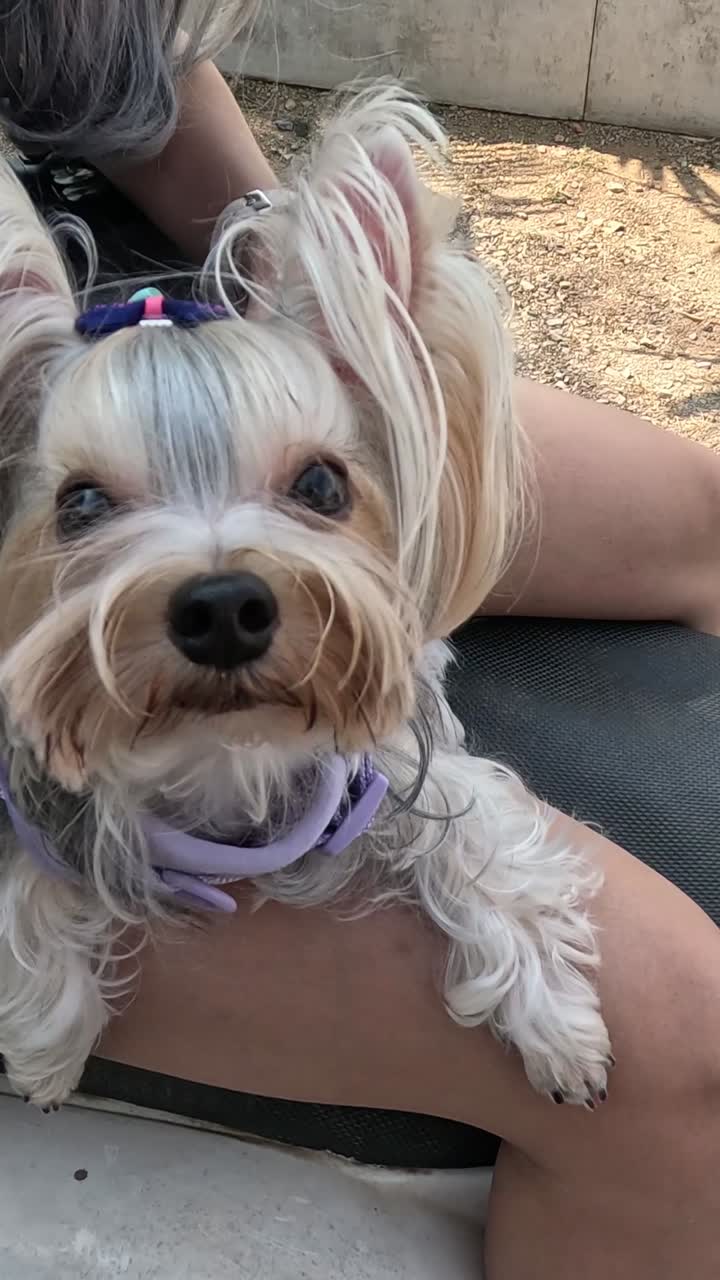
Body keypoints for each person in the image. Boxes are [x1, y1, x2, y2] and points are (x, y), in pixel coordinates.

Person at [2, 5, 720, 1277]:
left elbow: (111, 68)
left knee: (699, 518)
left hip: (133, 310)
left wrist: (298, 324)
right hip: (50, 364)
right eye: (89, 509)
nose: (226, 583)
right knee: (685, 1044)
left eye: (318, 489)